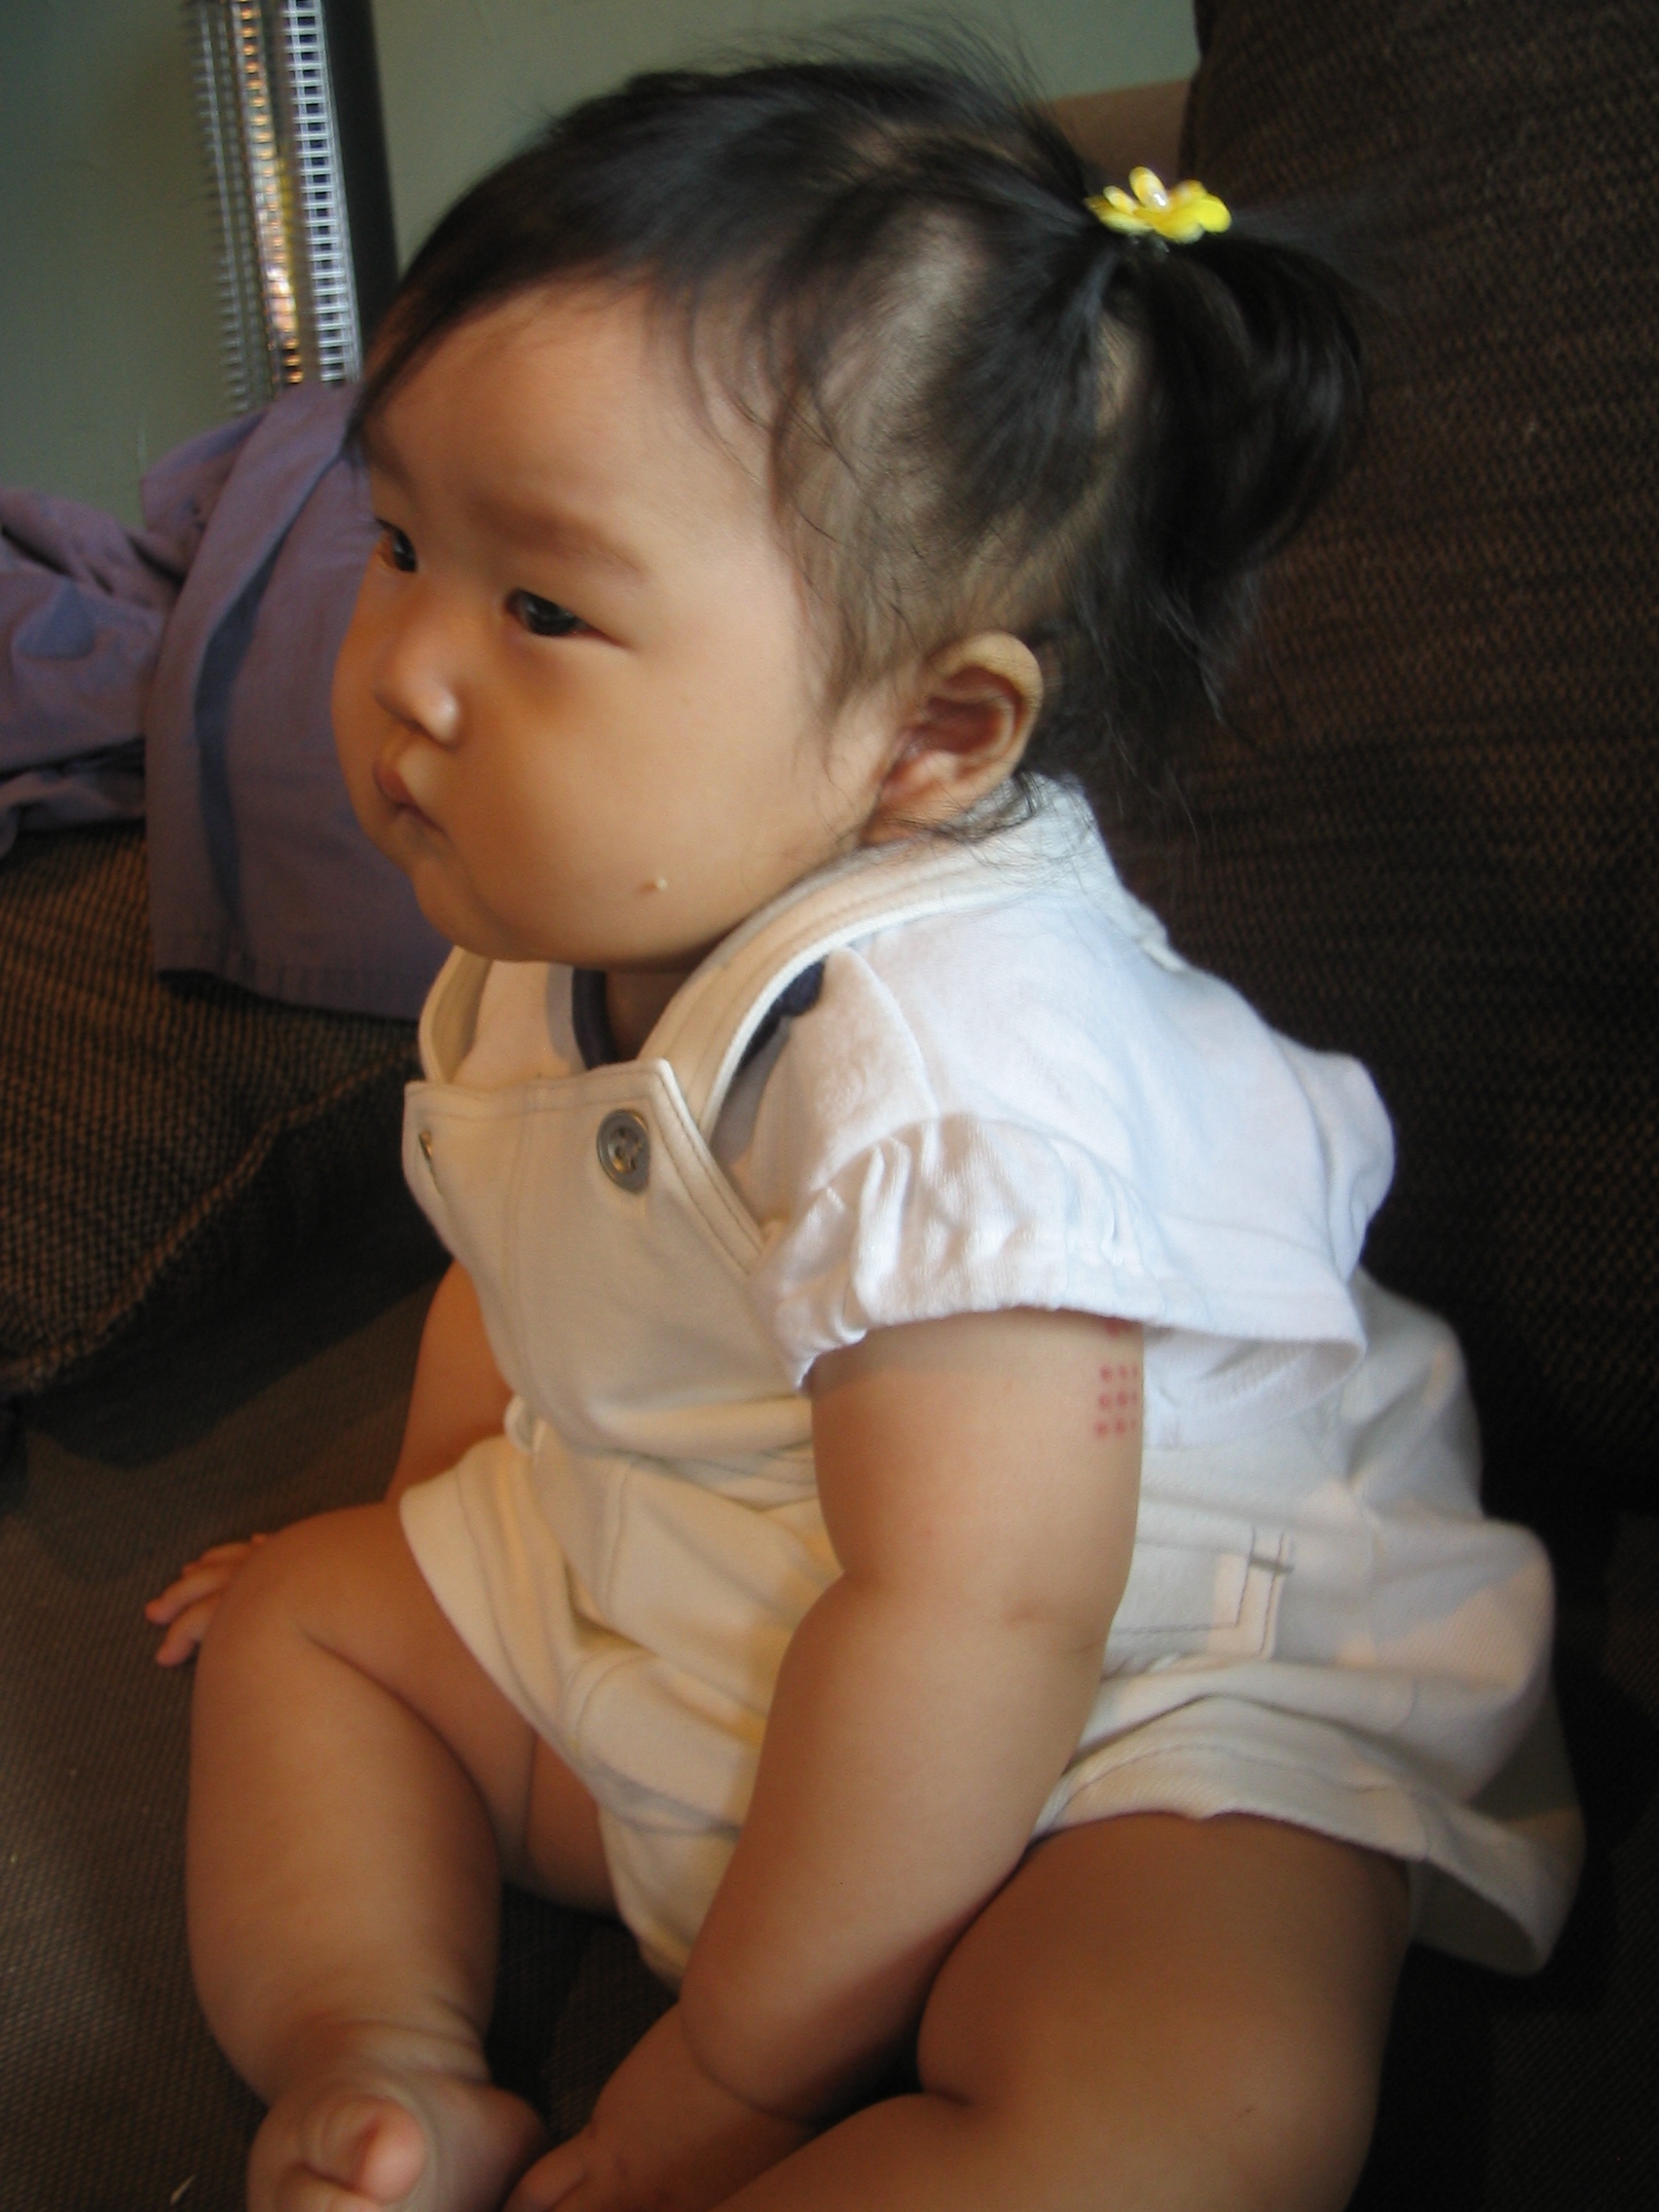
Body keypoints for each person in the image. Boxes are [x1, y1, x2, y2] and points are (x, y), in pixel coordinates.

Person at [146, 53, 1580, 2212]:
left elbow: (983, 1619)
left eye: (541, 609)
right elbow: (530, 1283)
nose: (409, 672)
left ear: (930, 732)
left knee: (1198, 2102)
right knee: (302, 1630)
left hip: (1127, 1676)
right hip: (732, 1581)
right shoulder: (552, 922)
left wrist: (723, 2078)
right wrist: (441, 1542)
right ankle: (384, 2057)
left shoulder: (959, 1064)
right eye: (400, 543)